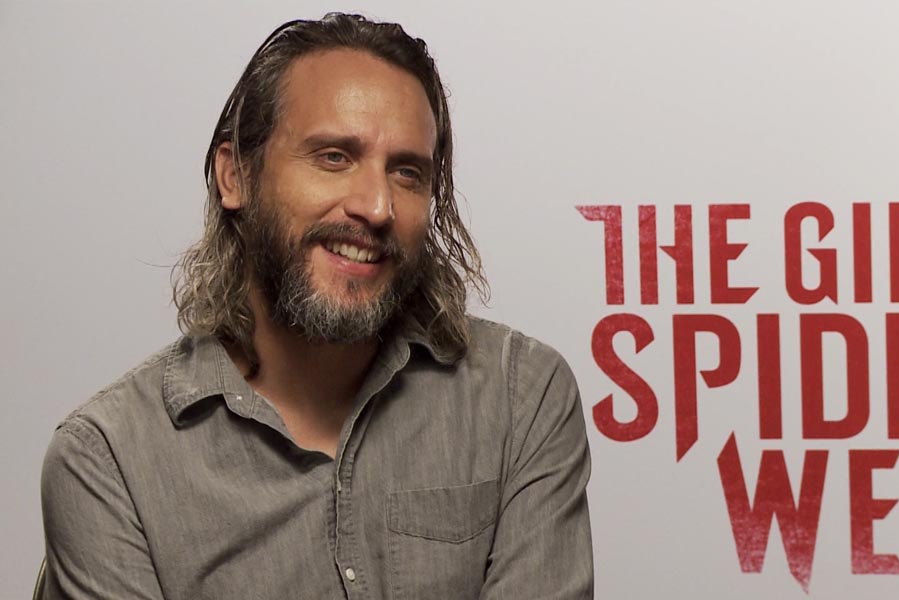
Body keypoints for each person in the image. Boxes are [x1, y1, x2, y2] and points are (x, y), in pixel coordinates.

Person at [39, 13, 593, 599]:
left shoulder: (520, 397)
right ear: (235, 176)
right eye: (334, 157)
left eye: (407, 172)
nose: (376, 206)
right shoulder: (108, 461)